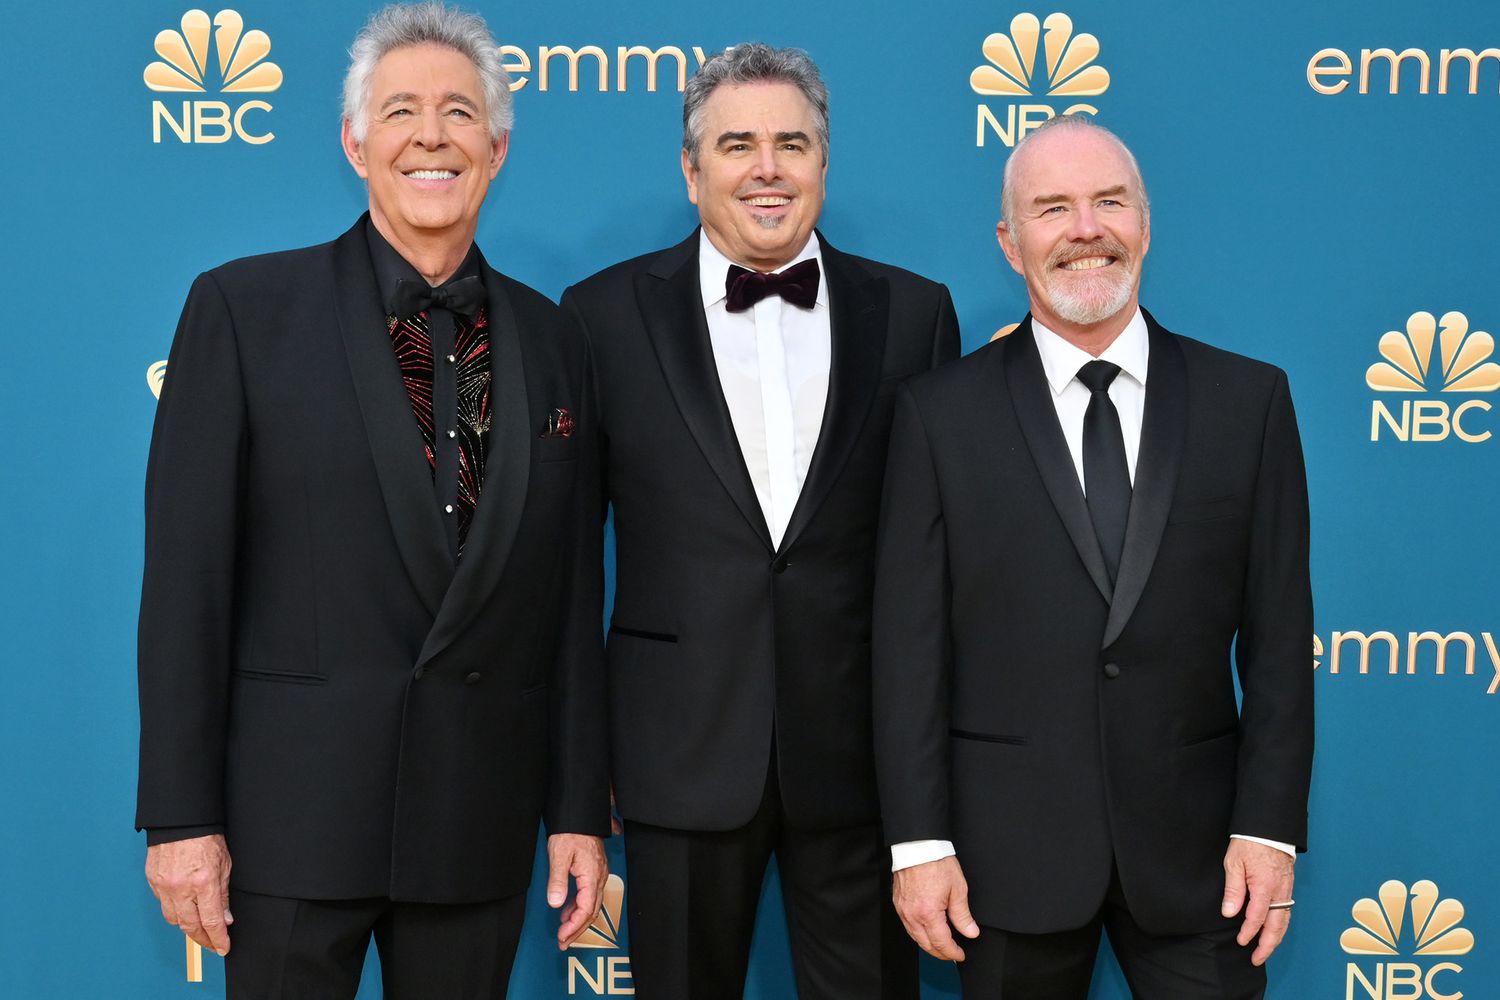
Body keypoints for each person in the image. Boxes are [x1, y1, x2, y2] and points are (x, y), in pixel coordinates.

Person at [135, 4, 608, 996]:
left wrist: (576, 807)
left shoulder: (556, 338)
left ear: (498, 145)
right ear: (356, 142)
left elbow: (567, 597)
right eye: (400, 111)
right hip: (290, 822)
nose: (430, 135)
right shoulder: (243, 311)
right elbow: (186, 586)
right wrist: (182, 818)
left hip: (475, 820)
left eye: (457, 112)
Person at [872, 114, 1313, 998]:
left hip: (1203, 863)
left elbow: (1279, 640)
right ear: (1010, 242)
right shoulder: (937, 417)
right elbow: (908, 648)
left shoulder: (1249, 403)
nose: (1085, 229)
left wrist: (1268, 828)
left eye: (1109, 201)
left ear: (1145, 224)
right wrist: (920, 844)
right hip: (1001, 861)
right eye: (1052, 208)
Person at [561, 43, 960, 999]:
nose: (768, 168)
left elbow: (940, 569)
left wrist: (935, 794)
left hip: (864, 766)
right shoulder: (601, 316)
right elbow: (568, 574)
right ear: (692, 171)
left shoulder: (914, 313)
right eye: (738, 144)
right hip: (677, 759)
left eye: (792, 142)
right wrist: (575, 793)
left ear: (825, 161)